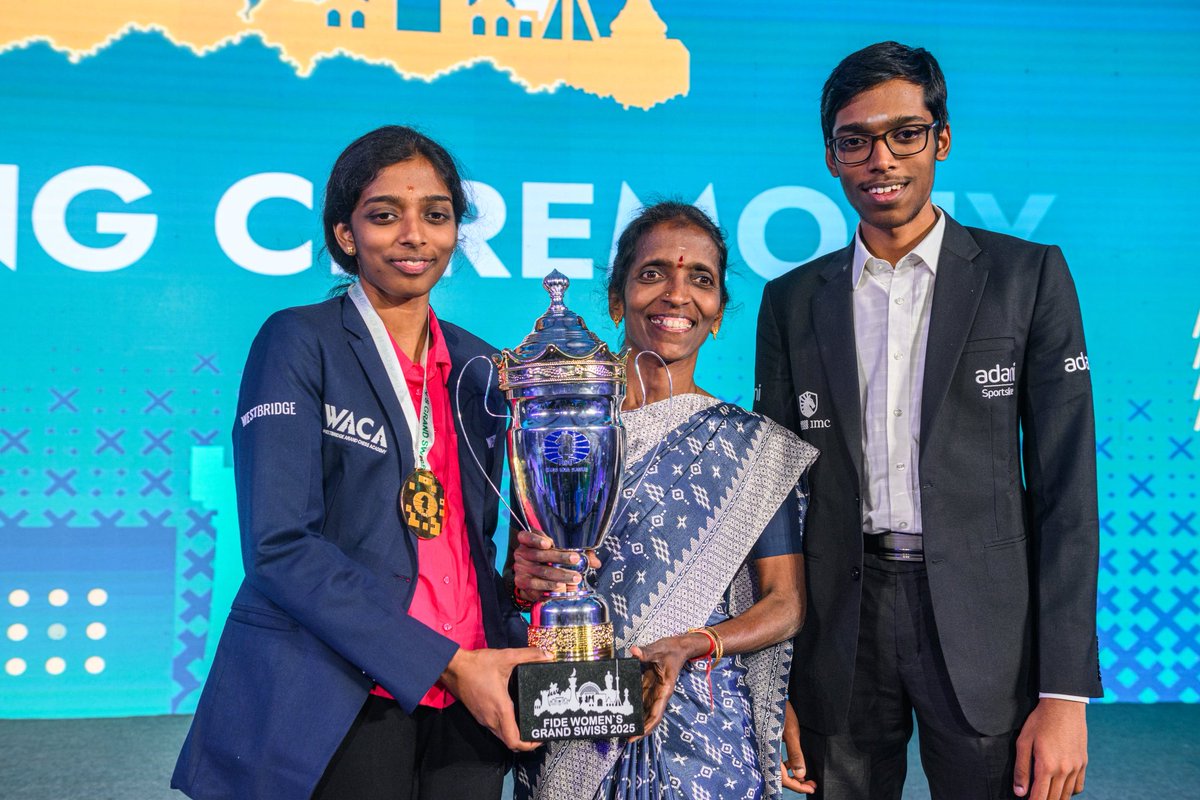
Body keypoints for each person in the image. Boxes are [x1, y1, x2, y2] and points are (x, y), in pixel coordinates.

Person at [755, 42, 1102, 800]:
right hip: (838, 630)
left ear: (940, 139)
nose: (881, 158)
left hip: (986, 632)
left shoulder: (1027, 277)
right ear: (831, 157)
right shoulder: (790, 302)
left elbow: (1068, 496)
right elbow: (772, 500)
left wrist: (1065, 692)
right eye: (856, 140)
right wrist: (769, 676)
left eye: (904, 133)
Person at [171, 125, 546, 800]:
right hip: (343, 686)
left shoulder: (483, 367)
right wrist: (446, 663)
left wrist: (526, 579)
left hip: (471, 695)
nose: (414, 235)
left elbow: (472, 542)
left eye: (435, 215)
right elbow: (280, 545)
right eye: (384, 215)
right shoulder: (297, 341)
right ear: (346, 235)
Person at [511, 202, 818, 800]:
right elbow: (515, 583)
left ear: (719, 313)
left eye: (700, 280)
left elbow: (785, 604)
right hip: (575, 709)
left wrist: (690, 644)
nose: (677, 295)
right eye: (653, 274)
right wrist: (525, 581)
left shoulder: (750, 446)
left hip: (703, 724)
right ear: (617, 298)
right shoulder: (553, 424)